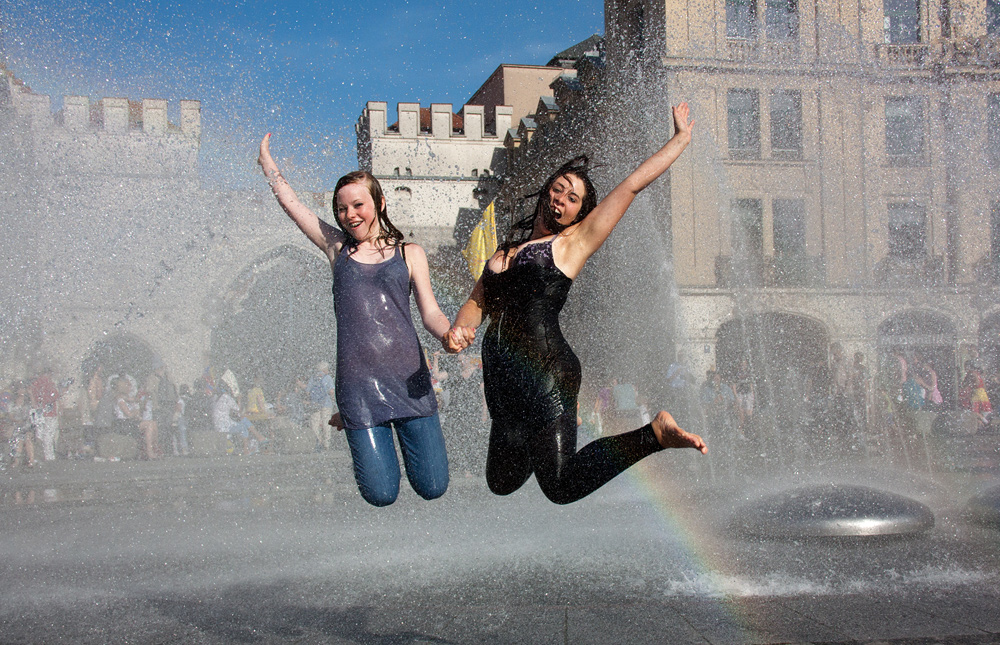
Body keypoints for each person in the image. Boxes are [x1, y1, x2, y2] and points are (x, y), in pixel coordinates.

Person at [445, 103, 705, 505]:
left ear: (580, 214)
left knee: (561, 486)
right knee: (501, 480)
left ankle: (652, 435)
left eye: (573, 198)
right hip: (503, 384)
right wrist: (459, 330)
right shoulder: (503, 251)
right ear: (547, 187)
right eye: (559, 187)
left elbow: (632, 185)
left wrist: (680, 140)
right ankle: (547, 438)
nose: (561, 199)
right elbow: (477, 303)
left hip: (547, 371)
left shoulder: (570, 245)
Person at [259, 133, 452, 507]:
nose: (350, 215)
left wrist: (448, 335)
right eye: (342, 208)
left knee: (433, 486)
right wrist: (268, 165)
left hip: (409, 383)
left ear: (379, 203)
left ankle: (359, 423)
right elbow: (293, 204)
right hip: (359, 389)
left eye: (358, 205)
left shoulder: (409, 252)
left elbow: (430, 312)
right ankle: (352, 419)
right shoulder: (337, 250)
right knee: (380, 494)